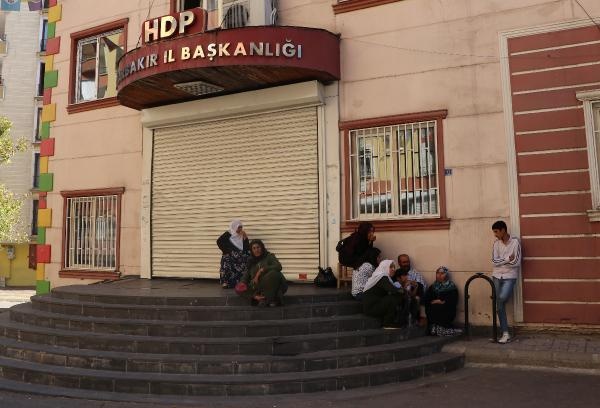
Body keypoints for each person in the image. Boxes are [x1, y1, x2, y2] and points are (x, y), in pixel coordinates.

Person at [491, 220, 521, 344]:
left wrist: (501, 261)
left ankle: (505, 333)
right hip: (497, 276)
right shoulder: (496, 243)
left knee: (501, 298)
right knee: (499, 304)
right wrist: (508, 258)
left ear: (503, 230)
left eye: (496, 232)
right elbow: (493, 261)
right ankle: (505, 333)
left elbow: (516, 262)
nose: (495, 235)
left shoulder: (515, 242)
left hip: (510, 276)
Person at [240, 239, 287, 307]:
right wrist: (253, 295)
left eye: (258, 247)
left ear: (262, 247)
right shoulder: (251, 262)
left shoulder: (269, 256)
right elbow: (244, 278)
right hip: (258, 287)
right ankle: (270, 299)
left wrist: (262, 270)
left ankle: (265, 299)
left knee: (273, 274)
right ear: (251, 250)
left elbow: (278, 266)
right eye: (254, 248)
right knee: (239, 286)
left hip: (272, 283)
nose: (256, 250)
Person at [362, 260, 408, 329]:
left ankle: (398, 320)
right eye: (391, 267)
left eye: (394, 267)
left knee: (397, 296)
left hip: (376, 304)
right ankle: (387, 323)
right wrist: (404, 290)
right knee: (393, 298)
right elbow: (393, 290)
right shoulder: (382, 277)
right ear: (384, 267)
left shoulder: (382, 277)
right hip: (372, 308)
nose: (393, 269)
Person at [423, 266, 461, 336]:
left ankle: (442, 328)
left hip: (445, 310)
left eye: (442, 273)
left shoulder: (451, 287)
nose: (439, 275)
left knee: (439, 307)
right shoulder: (433, 286)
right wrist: (433, 301)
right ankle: (435, 328)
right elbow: (427, 298)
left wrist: (441, 302)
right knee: (433, 307)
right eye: (438, 273)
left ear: (446, 275)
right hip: (433, 310)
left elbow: (453, 301)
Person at [216, 219, 250, 288]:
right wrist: (226, 251)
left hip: (240, 255)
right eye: (238, 227)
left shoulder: (242, 235)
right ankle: (225, 282)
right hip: (230, 255)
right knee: (226, 260)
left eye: (241, 227)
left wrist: (245, 238)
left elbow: (246, 248)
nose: (240, 229)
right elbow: (219, 242)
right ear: (234, 227)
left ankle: (240, 281)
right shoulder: (228, 234)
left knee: (246, 259)